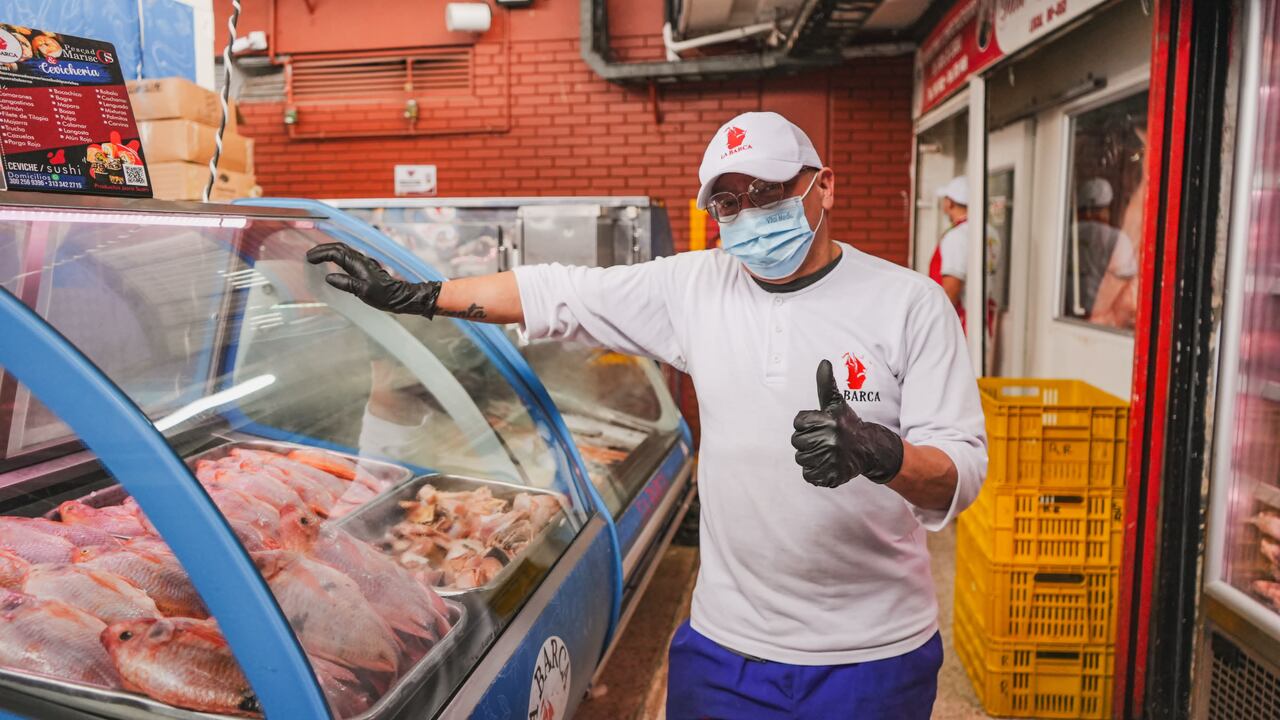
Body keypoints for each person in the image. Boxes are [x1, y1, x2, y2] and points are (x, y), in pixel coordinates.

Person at [307, 111, 987, 720]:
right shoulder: (696, 286)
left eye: (770, 192)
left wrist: (884, 455)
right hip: (728, 650)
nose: (749, 215)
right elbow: (556, 292)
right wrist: (421, 294)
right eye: (728, 201)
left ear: (825, 186)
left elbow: (960, 475)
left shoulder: (908, 304)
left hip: (871, 654)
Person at [929, 176, 999, 332]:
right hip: (982, 317)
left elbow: (951, 288)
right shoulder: (990, 231)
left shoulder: (957, 236)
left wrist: (935, 326)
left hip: (961, 322)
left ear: (950, 202)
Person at [1071, 177, 1139, 324]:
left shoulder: (1066, 235)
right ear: (1106, 209)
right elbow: (1127, 285)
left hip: (1069, 317)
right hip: (1102, 322)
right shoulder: (1118, 239)